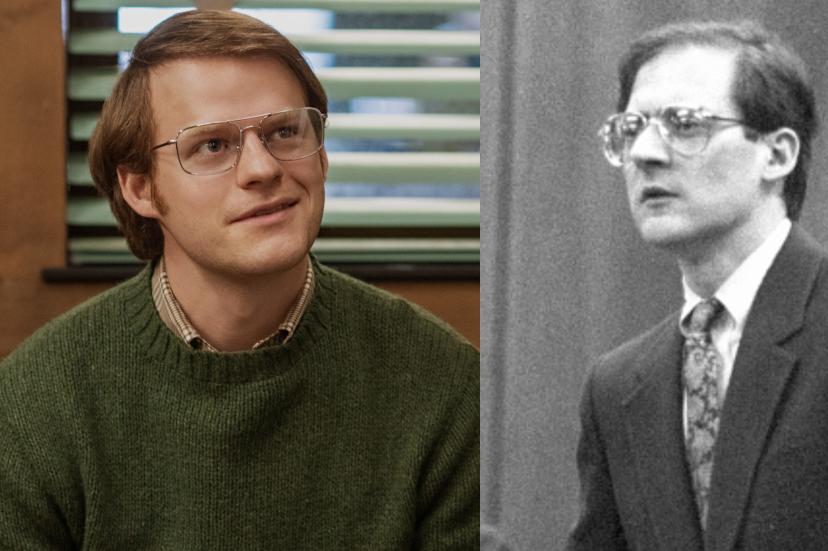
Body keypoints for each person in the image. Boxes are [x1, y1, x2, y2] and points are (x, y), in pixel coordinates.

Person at [0, 10, 478, 549]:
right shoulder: (35, 403)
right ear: (141, 188)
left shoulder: (442, 383)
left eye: (284, 131)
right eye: (212, 145)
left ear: (321, 154)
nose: (262, 168)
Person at [568, 20, 828, 550]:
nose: (645, 153)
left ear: (777, 155)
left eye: (684, 124)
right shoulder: (617, 386)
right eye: (631, 127)